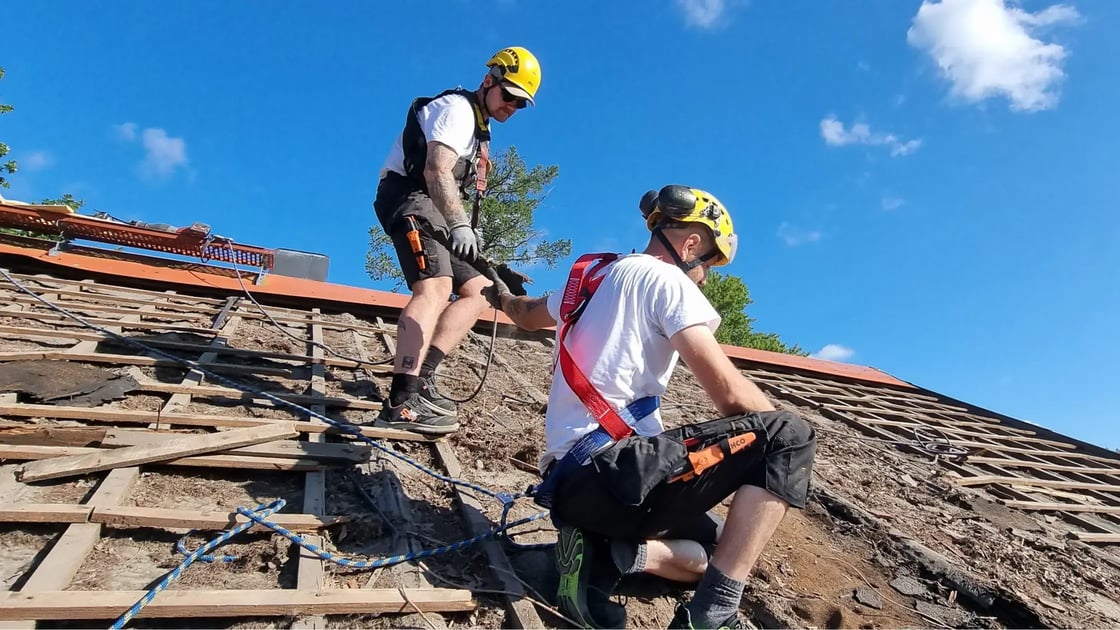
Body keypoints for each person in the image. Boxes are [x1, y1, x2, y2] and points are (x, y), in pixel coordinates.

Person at [484, 185, 817, 629]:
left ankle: (612, 554)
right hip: (619, 476)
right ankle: (713, 619)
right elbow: (733, 400)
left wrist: (501, 295)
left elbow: (524, 313)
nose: (704, 278)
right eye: (710, 265)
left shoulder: (586, 278)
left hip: (570, 490)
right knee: (791, 435)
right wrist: (782, 432)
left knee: (716, 553)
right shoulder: (669, 281)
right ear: (691, 244)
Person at [371, 47, 541, 435]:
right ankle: (401, 401)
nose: (513, 105)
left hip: (437, 207)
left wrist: (486, 260)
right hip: (410, 196)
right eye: (509, 94)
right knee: (435, 286)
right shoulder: (457, 111)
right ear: (489, 81)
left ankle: (423, 378)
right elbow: (436, 170)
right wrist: (460, 225)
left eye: (521, 103)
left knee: (480, 289)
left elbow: (457, 193)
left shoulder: (482, 129)